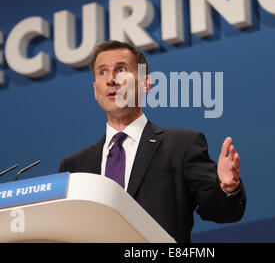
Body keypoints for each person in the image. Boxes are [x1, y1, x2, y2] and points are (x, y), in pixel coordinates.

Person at [59, 40, 246, 243]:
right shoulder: (75, 167)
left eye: (121, 70)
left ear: (146, 84)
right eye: (102, 72)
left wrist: (228, 187)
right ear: (95, 90)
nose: (111, 79)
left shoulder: (181, 146)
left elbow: (220, 212)